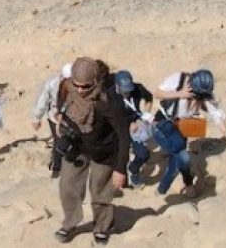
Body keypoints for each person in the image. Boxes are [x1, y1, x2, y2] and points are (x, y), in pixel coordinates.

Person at [54, 58, 130, 245]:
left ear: (96, 81)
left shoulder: (108, 101)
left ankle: (102, 226)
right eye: (76, 85)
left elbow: (123, 135)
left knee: (100, 191)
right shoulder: (66, 88)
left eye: (86, 86)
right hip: (76, 147)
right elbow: (60, 104)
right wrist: (60, 118)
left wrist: (121, 169)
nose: (80, 90)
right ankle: (70, 223)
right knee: (67, 187)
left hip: (103, 152)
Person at [153, 69, 226, 198]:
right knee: (182, 155)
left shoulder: (204, 94)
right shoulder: (177, 79)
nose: (198, 98)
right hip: (163, 123)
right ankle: (168, 187)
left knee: (180, 155)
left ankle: (181, 184)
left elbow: (216, 114)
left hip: (182, 126)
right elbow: (157, 93)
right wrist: (179, 93)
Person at [112, 70, 154, 187]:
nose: (127, 93)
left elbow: (149, 98)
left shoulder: (137, 88)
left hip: (136, 125)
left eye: (129, 91)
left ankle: (133, 170)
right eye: (124, 91)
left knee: (143, 155)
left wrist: (144, 116)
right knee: (118, 157)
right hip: (117, 128)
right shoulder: (110, 96)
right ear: (117, 87)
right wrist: (127, 125)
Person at [31, 63, 73, 179]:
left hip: (72, 118)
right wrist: (36, 118)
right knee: (59, 141)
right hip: (54, 118)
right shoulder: (52, 83)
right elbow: (42, 101)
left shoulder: (77, 84)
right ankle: (56, 168)